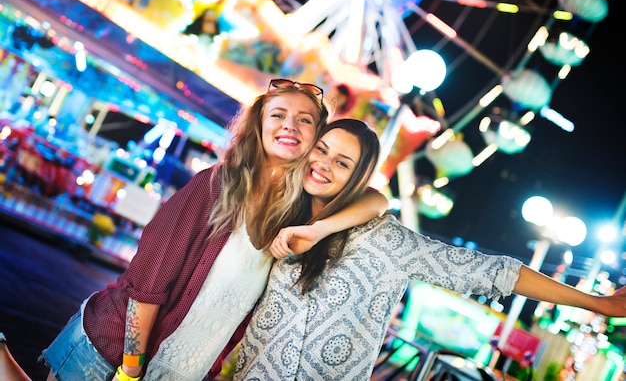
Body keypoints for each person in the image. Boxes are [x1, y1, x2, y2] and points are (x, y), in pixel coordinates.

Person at [37, 79, 388, 381]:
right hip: (110, 356)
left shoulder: (295, 216)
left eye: (305, 120)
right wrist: (130, 370)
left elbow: (376, 201)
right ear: (259, 124)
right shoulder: (216, 185)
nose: (290, 126)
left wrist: (318, 229)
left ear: (316, 140)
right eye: (278, 115)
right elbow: (147, 285)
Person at [234, 118, 626, 380]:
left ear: (358, 178)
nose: (323, 165)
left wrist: (596, 303)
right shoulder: (278, 213)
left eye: (343, 162)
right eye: (320, 150)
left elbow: (494, 271)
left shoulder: (383, 239)